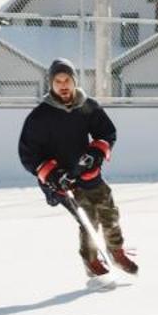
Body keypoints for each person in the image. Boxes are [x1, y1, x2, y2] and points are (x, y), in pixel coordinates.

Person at [17, 58, 137, 280]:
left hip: (87, 172)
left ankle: (116, 251)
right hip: (62, 181)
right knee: (88, 219)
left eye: (67, 80)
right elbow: (28, 154)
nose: (63, 85)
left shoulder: (87, 106)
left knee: (108, 211)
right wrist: (52, 174)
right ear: (51, 84)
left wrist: (96, 153)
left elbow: (107, 133)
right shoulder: (40, 117)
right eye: (57, 81)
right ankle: (91, 261)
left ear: (74, 81)